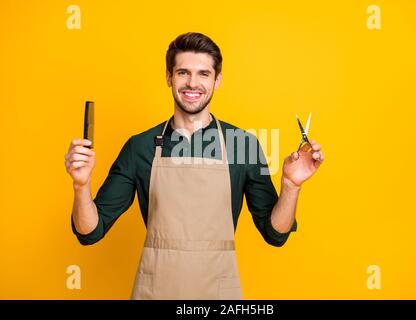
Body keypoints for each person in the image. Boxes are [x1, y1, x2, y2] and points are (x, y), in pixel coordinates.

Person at [64, 32, 325, 300]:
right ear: (169, 77)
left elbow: (275, 234)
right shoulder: (139, 147)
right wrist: (80, 185)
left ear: (217, 80)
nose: (192, 83)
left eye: (203, 74)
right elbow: (90, 231)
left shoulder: (243, 145)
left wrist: (291, 186)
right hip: (156, 292)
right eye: (183, 73)